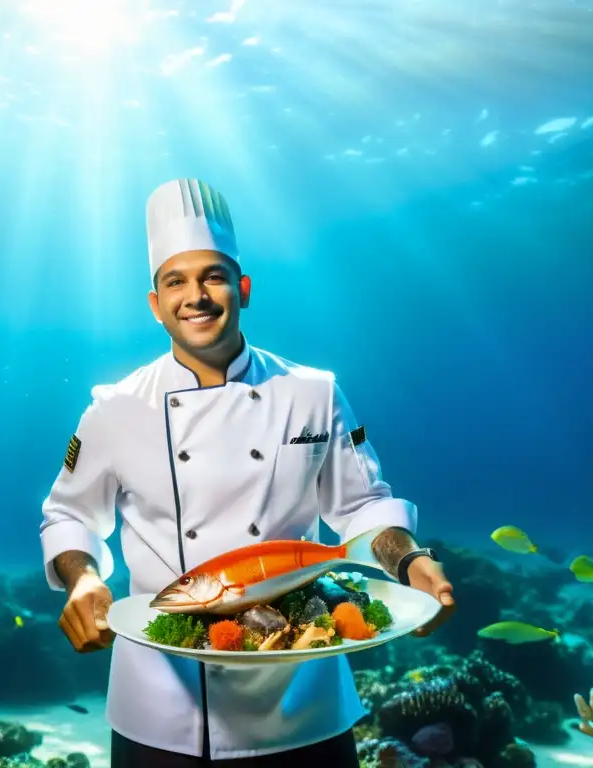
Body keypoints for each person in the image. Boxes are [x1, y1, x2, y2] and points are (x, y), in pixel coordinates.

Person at [39, 177, 456, 767]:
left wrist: (410, 560)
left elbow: (364, 506)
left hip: (302, 701)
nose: (196, 296)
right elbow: (68, 515)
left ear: (244, 288)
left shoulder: (315, 394)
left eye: (213, 276)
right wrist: (82, 580)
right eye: (175, 281)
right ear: (155, 304)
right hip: (161, 703)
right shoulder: (113, 409)